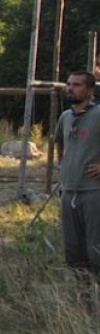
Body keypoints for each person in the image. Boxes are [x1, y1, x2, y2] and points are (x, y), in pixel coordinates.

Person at [54, 69, 100, 314]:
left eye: (77, 85)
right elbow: (60, 144)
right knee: (74, 251)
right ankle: (85, 306)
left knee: (96, 250)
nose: (70, 88)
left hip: (93, 192)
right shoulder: (65, 117)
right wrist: (63, 168)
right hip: (69, 191)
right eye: (69, 84)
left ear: (90, 90)